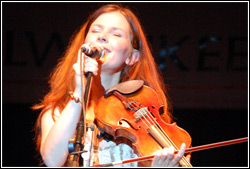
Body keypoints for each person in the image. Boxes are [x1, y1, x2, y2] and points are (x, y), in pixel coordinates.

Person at [32, 3, 191, 167]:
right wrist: (80, 91)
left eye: (116, 34)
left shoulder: (143, 119)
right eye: (95, 31)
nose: (101, 36)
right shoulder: (57, 111)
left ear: (132, 57)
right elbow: (52, 161)